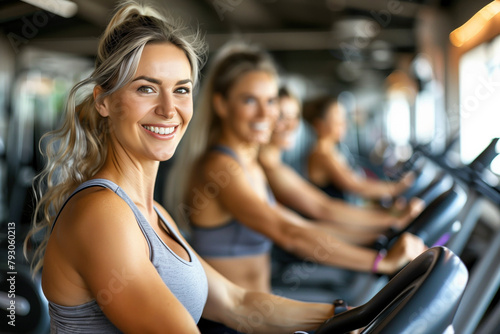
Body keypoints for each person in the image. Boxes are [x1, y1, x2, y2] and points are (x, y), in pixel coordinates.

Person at [23, 2, 344, 333]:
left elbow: (237, 303)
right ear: (104, 101)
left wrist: (350, 315)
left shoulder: (155, 214)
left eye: (181, 90)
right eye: (146, 88)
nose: (168, 109)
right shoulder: (102, 213)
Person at [167, 40, 426, 296]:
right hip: (231, 322)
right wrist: (381, 261)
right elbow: (289, 233)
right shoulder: (220, 167)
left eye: (270, 102)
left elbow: (304, 226)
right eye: (249, 101)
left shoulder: (251, 166)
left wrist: (387, 226)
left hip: (259, 310)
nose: (264, 114)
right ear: (221, 104)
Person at [258, 86, 424, 234]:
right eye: (281, 117)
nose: (291, 125)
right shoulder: (319, 154)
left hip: (334, 227)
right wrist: (394, 195)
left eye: (294, 117)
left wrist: (386, 214)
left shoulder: (330, 151)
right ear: (319, 124)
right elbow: (336, 199)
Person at [303, 95, 414, 202]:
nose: (344, 124)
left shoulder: (334, 150)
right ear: (320, 125)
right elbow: (353, 185)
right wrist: (395, 189)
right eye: (337, 120)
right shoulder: (321, 155)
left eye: (343, 118)